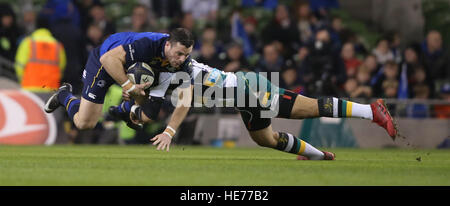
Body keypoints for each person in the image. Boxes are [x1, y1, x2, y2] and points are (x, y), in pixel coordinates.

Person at [116, 59, 398, 161]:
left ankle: (372, 111)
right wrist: (128, 113)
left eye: (136, 81)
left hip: (249, 88)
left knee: (309, 108)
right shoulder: (156, 84)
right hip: (242, 98)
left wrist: (161, 127)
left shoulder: (172, 75)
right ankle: (317, 156)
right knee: (266, 139)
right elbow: (146, 113)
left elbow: (172, 106)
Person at [43, 28, 195, 131]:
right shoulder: (148, 45)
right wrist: (129, 85)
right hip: (105, 61)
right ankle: (64, 95)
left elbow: (186, 98)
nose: (182, 59)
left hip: (130, 68)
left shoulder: (183, 62)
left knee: (148, 114)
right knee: (84, 123)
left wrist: (169, 132)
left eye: (186, 55)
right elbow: (108, 59)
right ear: (167, 45)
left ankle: (122, 111)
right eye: (179, 54)